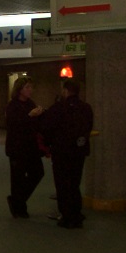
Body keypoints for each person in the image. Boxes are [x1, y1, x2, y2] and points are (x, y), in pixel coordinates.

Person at [42, 79, 93, 229]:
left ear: (65, 91)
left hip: (61, 151)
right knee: (75, 182)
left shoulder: (58, 108)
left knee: (63, 184)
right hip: (79, 150)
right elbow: (88, 127)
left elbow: (46, 128)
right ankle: (76, 214)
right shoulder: (86, 108)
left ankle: (66, 216)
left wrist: (49, 144)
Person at [5, 76, 45, 218]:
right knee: (18, 178)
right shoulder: (12, 106)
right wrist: (29, 116)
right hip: (17, 147)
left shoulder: (30, 103)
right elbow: (14, 125)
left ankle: (17, 200)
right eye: (27, 87)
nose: (30, 90)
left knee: (38, 173)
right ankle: (19, 207)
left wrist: (39, 114)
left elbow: (35, 125)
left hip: (30, 146)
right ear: (19, 90)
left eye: (31, 87)